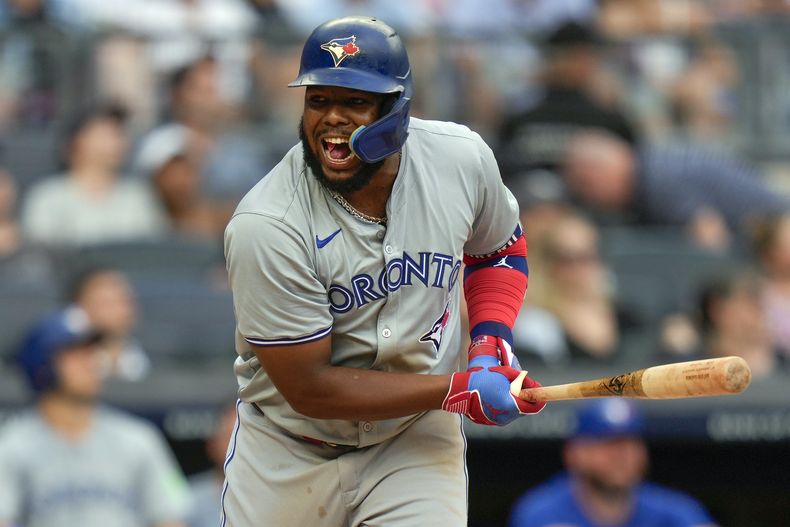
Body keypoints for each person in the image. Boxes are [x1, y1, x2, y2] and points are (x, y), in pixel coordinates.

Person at [223, 16, 546, 526]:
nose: (331, 118)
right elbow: (311, 388)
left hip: (412, 438)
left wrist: (489, 340)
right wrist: (456, 388)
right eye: (318, 100)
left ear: (396, 110)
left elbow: (498, 251)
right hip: (289, 446)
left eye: (354, 101)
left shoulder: (458, 160)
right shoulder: (267, 224)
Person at [0, 306, 190, 527]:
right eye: (76, 353)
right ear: (42, 366)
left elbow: (170, 519)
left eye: (92, 352)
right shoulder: (12, 444)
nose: (92, 362)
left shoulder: (139, 438)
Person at [561, 130, 789, 250]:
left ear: (599, 173)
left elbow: (711, 239)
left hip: (775, 235)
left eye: (585, 186)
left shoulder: (657, 181)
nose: (589, 198)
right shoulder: (652, 164)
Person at [508, 399, 717, 527]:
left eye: (630, 443)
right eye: (608, 444)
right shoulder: (543, 511)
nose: (622, 456)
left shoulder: (675, 510)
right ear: (574, 453)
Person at [20, 104, 167, 247]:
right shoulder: (47, 197)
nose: (117, 142)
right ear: (74, 142)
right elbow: (39, 255)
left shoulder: (138, 196)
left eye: (119, 133)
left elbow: (150, 250)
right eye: (106, 133)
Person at [67, 266, 151, 382]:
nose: (117, 311)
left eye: (122, 301)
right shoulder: (66, 363)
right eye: (105, 303)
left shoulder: (145, 361)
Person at [185, 403, 237, 527]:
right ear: (211, 444)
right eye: (230, 438)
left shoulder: (274, 495)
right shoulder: (187, 496)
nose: (238, 448)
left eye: (246, 440)